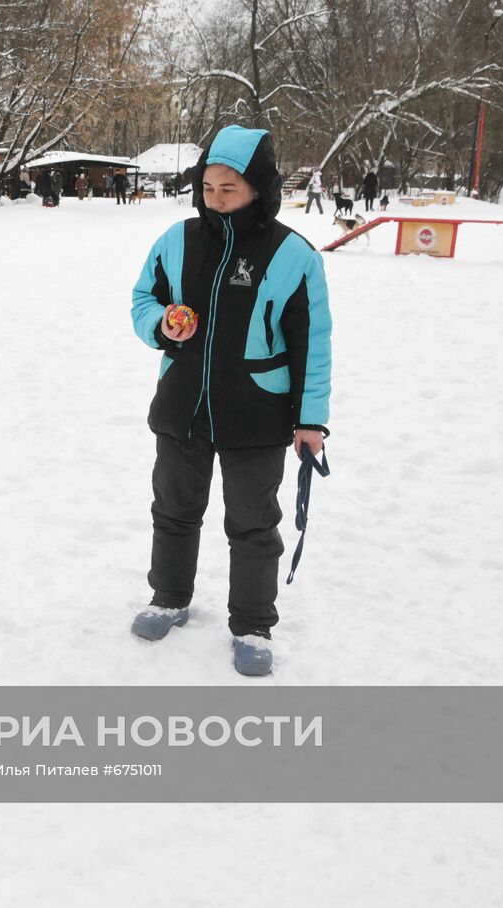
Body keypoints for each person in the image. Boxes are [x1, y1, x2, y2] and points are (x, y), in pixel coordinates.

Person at [127, 124, 332, 677]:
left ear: (259, 190)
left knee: (252, 524)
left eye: (229, 190)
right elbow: (144, 297)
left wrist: (310, 420)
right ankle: (169, 597)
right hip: (182, 405)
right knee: (173, 510)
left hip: (257, 414)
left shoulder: (295, 256)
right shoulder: (178, 239)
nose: (215, 200)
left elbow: (311, 343)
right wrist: (161, 325)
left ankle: (252, 624)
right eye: (209, 188)